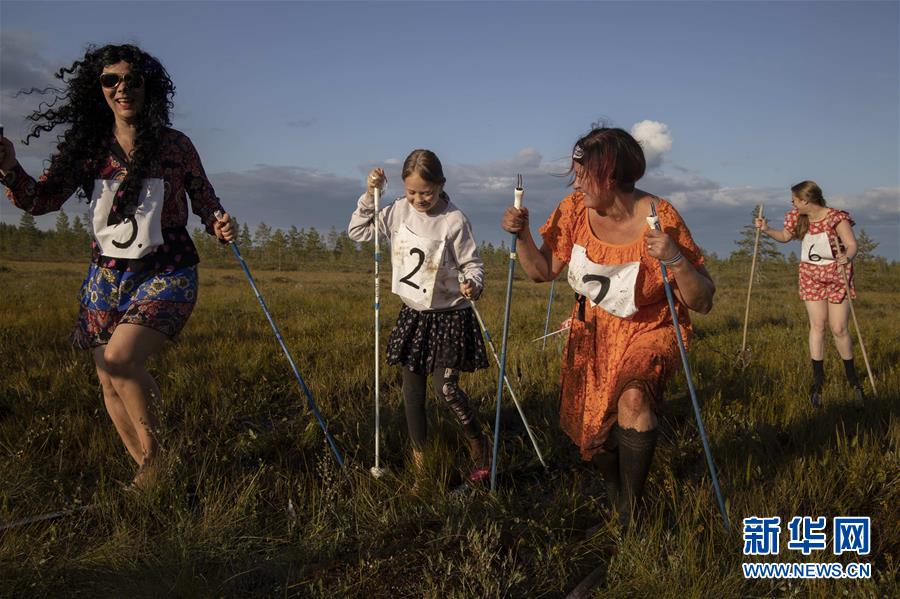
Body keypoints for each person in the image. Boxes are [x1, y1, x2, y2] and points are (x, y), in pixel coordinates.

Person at [0, 44, 235, 486]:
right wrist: (10, 167)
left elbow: (205, 199)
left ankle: (159, 464)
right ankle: (148, 479)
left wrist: (219, 222)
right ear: (100, 89)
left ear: (149, 87)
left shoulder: (175, 145)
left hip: (167, 270)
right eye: (111, 80)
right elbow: (41, 200)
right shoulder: (90, 148)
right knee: (108, 379)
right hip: (105, 278)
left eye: (132, 80)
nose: (122, 88)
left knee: (121, 359)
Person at [501, 126, 715, 526]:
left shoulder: (660, 218)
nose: (577, 183)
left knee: (634, 399)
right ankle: (619, 497)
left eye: (584, 175)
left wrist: (675, 260)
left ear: (612, 177)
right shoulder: (573, 211)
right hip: (594, 332)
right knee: (594, 434)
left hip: (652, 328)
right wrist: (522, 235)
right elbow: (541, 271)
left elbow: (702, 301)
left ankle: (633, 513)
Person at [348, 149, 492, 484]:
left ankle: (478, 442)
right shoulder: (398, 210)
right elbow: (359, 232)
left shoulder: (454, 220)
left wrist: (473, 284)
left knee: (446, 390)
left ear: (441, 185)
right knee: (411, 392)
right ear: (403, 187)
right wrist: (371, 197)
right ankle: (420, 461)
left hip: (451, 315)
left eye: (426, 192)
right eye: (412, 192)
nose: (419, 199)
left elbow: (474, 265)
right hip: (414, 314)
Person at [755, 180, 863, 406]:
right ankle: (818, 378)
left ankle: (852, 376)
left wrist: (848, 256)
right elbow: (785, 237)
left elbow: (851, 244)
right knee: (818, 325)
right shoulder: (796, 217)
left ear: (806, 200)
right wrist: (766, 230)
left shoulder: (836, 218)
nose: (792, 204)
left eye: (794, 200)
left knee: (839, 328)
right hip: (810, 276)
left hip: (837, 275)